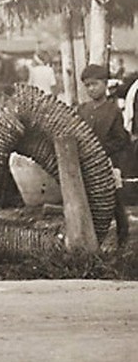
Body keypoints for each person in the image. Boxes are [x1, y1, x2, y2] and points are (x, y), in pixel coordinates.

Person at [77, 64, 130, 248]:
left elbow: (121, 139)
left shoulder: (112, 110)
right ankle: (90, 241)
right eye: (87, 85)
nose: (91, 89)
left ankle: (123, 238)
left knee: (114, 200)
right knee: (89, 200)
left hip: (108, 162)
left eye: (95, 84)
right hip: (87, 164)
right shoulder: (82, 110)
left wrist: (101, 150)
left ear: (105, 84)